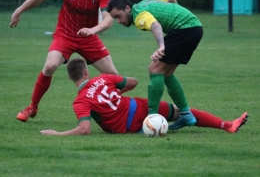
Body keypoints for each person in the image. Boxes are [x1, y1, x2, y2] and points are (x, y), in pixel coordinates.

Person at [10, 0, 118, 122]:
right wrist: (19, 11)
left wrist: (93, 30)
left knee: (114, 76)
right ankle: (33, 106)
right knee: (50, 66)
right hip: (65, 35)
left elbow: (108, 19)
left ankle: (115, 111)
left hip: (88, 37)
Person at [40, 57, 248, 136]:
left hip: (128, 127)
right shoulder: (104, 78)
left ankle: (155, 128)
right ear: (87, 72)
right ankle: (227, 125)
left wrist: (56, 133)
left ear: (70, 78)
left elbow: (84, 129)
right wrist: (117, 92)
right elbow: (133, 82)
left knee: (172, 118)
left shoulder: (80, 101)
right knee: (180, 111)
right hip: (140, 108)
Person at [104, 0, 203, 130]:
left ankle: (151, 119)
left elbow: (155, 25)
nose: (118, 21)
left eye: (118, 16)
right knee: (166, 73)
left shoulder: (139, 16)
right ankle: (186, 115)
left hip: (185, 30)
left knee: (154, 69)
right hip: (193, 27)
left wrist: (162, 46)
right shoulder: (146, 2)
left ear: (127, 8)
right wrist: (180, 12)